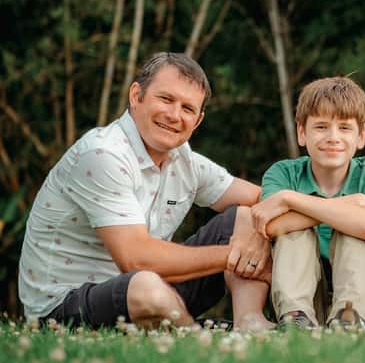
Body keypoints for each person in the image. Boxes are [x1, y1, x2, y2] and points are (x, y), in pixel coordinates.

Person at [18, 53, 273, 331]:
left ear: (198, 121)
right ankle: (191, 335)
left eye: (187, 108)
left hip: (149, 287)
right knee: (146, 286)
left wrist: (301, 212)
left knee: (248, 219)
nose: (174, 115)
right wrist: (234, 255)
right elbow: (135, 258)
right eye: (165, 99)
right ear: (136, 96)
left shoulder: (183, 160)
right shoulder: (104, 154)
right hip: (64, 305)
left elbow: (264, 198)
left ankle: (249, 323)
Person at [251, 76, 365, 328]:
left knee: (354, 229)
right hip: (306, 296)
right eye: (321, 127)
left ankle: (351, 319)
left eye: (344, 128)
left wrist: (290, 200)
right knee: (297, 232)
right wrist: (349, 205)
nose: (333, 137)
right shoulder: (283, 174)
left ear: (361, 137)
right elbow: (271, 227)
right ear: (302, 132)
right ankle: (295, 318)